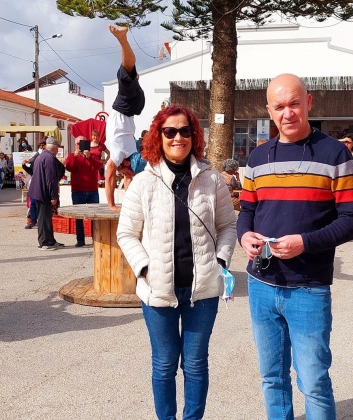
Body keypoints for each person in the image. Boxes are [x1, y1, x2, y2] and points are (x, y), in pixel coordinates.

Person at [238, 74, 353, 420]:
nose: (287, 113)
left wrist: (305, 243)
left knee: (314, 382)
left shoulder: (335, 153)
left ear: (308, 102)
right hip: (262, 283)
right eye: (279, 106)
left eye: (294, 103)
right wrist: (244, 236)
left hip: (309, 287)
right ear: (269, 111)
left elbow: (351, 219)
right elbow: (247, 210)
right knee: (272, 378)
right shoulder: (258, 157)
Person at [117, 104, 237, 420]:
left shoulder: (212, 180)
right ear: (159, 136)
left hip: (202, 291)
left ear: (193, 135)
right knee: (165, 363)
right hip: (158, 292)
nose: (178, 137)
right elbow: (126, 233)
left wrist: (221, 261)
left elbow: (227, 226)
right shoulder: (143, 182)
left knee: (196, 364)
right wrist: (145, 268)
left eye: (185, 130)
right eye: (170, 131)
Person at [104, 24, 148, 211]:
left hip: (125, 107)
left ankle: (122, 39)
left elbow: (109, 177)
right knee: (128, 75)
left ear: (126, 163)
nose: (126, 175)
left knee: (125, 74)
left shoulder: (117, 154)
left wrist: (112, 204)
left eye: (126, 170)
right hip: (134, 108)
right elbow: (129, 176)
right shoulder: (129, 153)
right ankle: (133, 77)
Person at [28, 137, 66, 250]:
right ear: (54, 147)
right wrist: (54, 196)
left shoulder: (41, 156)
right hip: (43, 192)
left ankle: (50, 240)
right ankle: (43, 242)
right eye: (57, 147)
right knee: (43, 218)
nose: (58, 150)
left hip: (38, 191)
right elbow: (51, 179)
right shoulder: (49, 158)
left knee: (47, 218)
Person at [65, 136, 103, 247]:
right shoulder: (72, 156)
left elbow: (98, 166)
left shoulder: (93, 155)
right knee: (79, 217)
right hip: (78, 190)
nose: (80, 146)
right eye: (78, 144)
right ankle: (80, 240)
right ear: (76, 145)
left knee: (94, 216)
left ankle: (95, 239)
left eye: (83, 143)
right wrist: (75, 157)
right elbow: (69, 167)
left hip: (92, 190)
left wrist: (89, 157)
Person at [22, 139, 47, 229]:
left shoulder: (48, 157)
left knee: (43, 204)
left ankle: (43, 221)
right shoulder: (36, 157)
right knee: (32, 203)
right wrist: (24, 166)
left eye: (42, 145)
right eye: (40, 146)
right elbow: (32, 171)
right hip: (35, 183)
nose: (41, 147)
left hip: (44, 184)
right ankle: (32, 221)